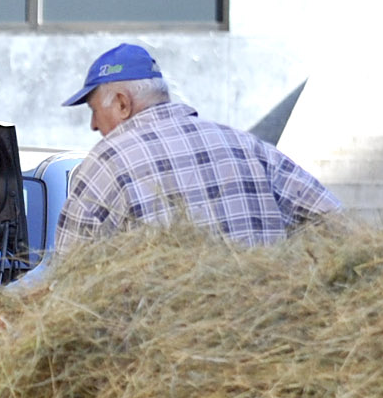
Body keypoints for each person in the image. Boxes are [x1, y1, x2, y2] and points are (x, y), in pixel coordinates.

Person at [51, 43, 338, 251]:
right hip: (264, 329)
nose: (93, 126)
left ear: (123, 104)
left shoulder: (107, 161)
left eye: (93, 110)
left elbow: (69, 269)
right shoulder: (248, 147)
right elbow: (335, 222)